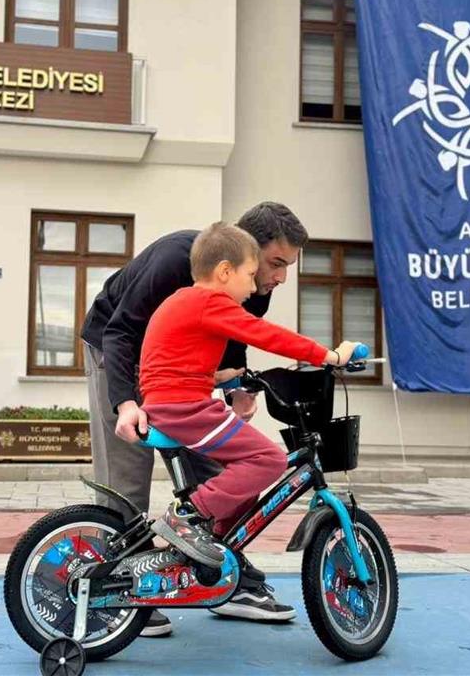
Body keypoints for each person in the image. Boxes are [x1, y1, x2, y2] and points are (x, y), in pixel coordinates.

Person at [81, 202, 307, 634]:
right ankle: (121, 589)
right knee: (127, 476)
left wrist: (237, 388)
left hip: (182, 372)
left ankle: (222, 577)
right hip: (118, 352)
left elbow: (235, 333)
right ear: (242, 254)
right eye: (277, 263)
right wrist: (125, 403)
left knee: (221, 471)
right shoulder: (175, 259)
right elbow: (121, 329)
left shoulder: (255, 283)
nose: (280, 278)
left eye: (287, 267)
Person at [140, 223, 360, 568]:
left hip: (170, 402)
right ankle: (188, 516)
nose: (255, 286)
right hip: (185, 408)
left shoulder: (184, 300)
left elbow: (168, 359)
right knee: (268, 460)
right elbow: (267, 335)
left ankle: (218, 551)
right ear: (225, 272)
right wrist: (330, 356)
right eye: (251, 275)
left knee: (246, 483)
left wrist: (217, 377)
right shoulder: (211, 302)